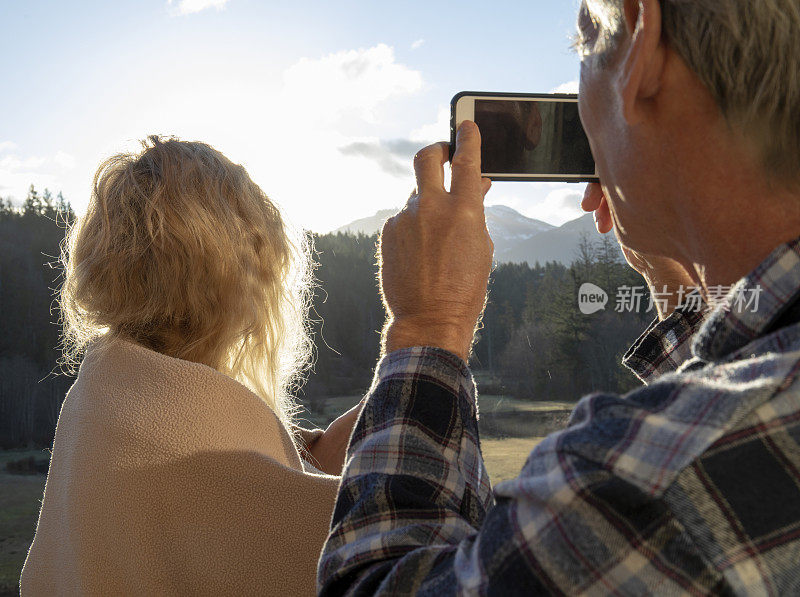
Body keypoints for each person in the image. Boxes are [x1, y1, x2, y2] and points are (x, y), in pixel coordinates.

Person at [318, 0, 800, 594]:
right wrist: (679, 292)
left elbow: (372, 585)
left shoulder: (654, 488)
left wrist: (428, 325)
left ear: (640, 40)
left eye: (586, 41)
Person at [21, 136, 361, 596]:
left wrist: (370, 418)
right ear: (244, 276)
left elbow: (255, 491)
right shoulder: (188, 450)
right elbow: (385, 553)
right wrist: (431, 326)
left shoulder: (103, 395)